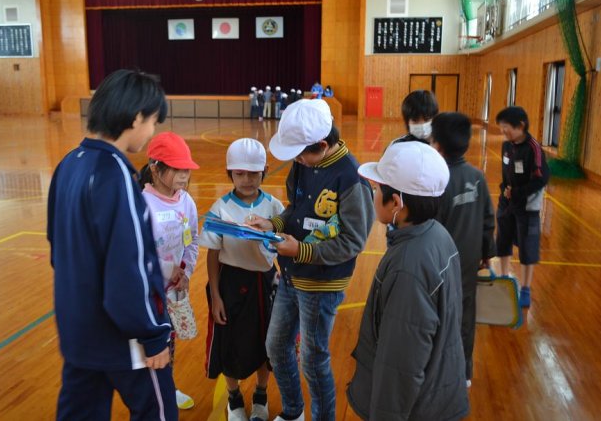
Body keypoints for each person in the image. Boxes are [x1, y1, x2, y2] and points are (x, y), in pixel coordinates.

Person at [47, 69, 177, 420]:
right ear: (136, 117)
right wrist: (153, 334)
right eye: (152, 122)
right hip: (125, 338)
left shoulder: (68, 165)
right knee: (158, 413)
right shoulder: (116, 174)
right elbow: (131, 267)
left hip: (78, 333)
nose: (152, 131)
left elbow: (57, 251)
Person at [248, 99, 375, 421]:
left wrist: (300, 251)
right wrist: (274, 225)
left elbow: (352, 241)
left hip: (322, 284)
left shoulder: (351, 178)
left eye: (302, 154)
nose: (298, 161)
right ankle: (293, 412)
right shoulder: (304, 164)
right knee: (276, 347)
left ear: (322, 144)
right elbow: (295, 209)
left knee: (313, 359)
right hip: (291, 274)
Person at [347, 141, 470, 421]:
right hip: (436, 394)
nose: (373, 194)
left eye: (377, 189)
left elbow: (399, 367)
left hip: (417, 409)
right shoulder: (437, 234)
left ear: (397, 204)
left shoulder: (408, 269)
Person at [199, 138, 284, 421]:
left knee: (267, 343)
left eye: (254, 173)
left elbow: (284, 244)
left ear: (265, 171)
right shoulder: (220, 208)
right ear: (229, 174)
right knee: (230, 341)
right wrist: (216, 296)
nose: (247, 179)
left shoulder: (274, 206)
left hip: (265, 283)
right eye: (239, 173)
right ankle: (234, 398)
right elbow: (213, 254)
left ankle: (260, 393)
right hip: (231, 283)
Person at [431, 112, 496, 386]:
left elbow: (430, 225)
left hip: (441, 264)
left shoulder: (437, 180)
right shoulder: (477, 177)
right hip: (469, 263)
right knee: (465, 317)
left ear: (437, 144)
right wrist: (486, 255)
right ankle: (464, 371)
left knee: (437, 315)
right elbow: (487, 219)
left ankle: (438, 369)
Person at [139, 131, 201, 410]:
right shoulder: (142, 205)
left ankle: (167, 387)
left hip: (173, 291)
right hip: (147, 294)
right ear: (155, 168)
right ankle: (149, 396)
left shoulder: (186, 201)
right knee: (150, 349)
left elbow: (192, 239)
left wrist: (185, 272)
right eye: (176, 168)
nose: (183, 174)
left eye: (186, 168)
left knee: (170, 343)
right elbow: (137, 254)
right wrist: (166, 269)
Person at [495, 106, 549, 308]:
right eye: (501, 128)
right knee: (503, 241)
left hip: (527, 206)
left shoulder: (533, 148)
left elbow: (541, 179)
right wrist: (505, 191)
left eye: (506, 127)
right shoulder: (506, 146)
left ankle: (525, 288)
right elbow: (505, 173)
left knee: (528, 248)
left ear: (521, 126)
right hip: (507, 202)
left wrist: (517, 193)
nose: (504, 132)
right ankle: (503, 278)